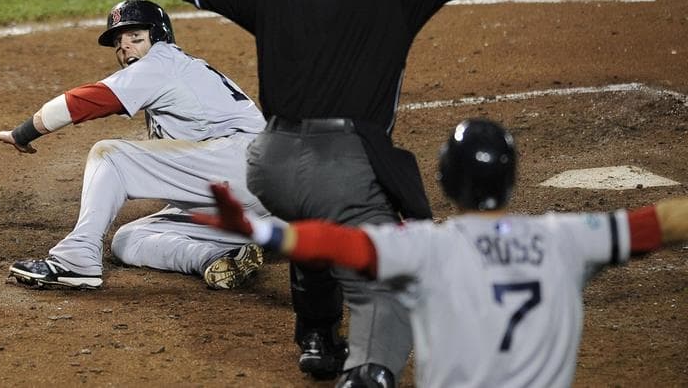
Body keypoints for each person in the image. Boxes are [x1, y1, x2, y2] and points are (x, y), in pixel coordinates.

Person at [123, 0, 614, 385]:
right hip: (344, 166)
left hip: (270, 165)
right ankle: (370, 371)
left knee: (311, 219)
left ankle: (317, 338)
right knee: (386, 274)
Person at [196, 118, 688, 388]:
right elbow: (663, 222)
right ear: (512, 179)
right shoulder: (568, 239)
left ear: (447, 183)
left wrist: (261, 232)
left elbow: (339, 243)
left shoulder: (429, 248)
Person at [0, 0, 271, 291]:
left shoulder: (162, 62)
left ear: (159, 38)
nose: (126, 48)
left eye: (136, 38)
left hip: (244, 165)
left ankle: (76, 260)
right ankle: (220, 256)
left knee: (111, 157)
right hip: (254, 197)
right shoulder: (176, 75)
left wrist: (22, 133)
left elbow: (84, 102)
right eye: (119, 43)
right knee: (129, 239)